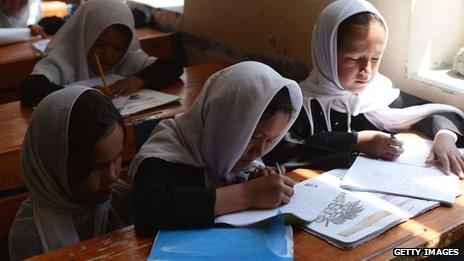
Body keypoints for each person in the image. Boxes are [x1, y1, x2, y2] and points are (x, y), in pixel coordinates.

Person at [264, 0, 464, 177]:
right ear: (326, 52)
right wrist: (357, 141)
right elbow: (280, 148)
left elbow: (437, 112)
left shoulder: (378, 95)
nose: (366, 70)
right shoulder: (301, 103)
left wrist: (444, 137)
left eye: (375, 58)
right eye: (353, 58)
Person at [128, 61, 303, 232]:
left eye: (270, 140)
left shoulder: (241, 159)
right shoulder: (169, 150)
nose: (259, 151)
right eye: (254, 136)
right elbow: (150, 209)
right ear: (222, 121)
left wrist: (254, 181)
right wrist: (247, 194)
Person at [9, 87, 133, 260]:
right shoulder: (30, 235)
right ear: (55, 166)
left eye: (118, 158)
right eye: (96, 167)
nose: (112, 176)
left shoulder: (123, 201)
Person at [19, 0, 183, 107]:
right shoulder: (62, 59)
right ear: (85, 36)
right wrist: (83, 95)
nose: (108, 56)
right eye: (100, 44)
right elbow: (30, 89)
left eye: (118, 48)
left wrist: (139, 79)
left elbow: (173, 66)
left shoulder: (127, 58)